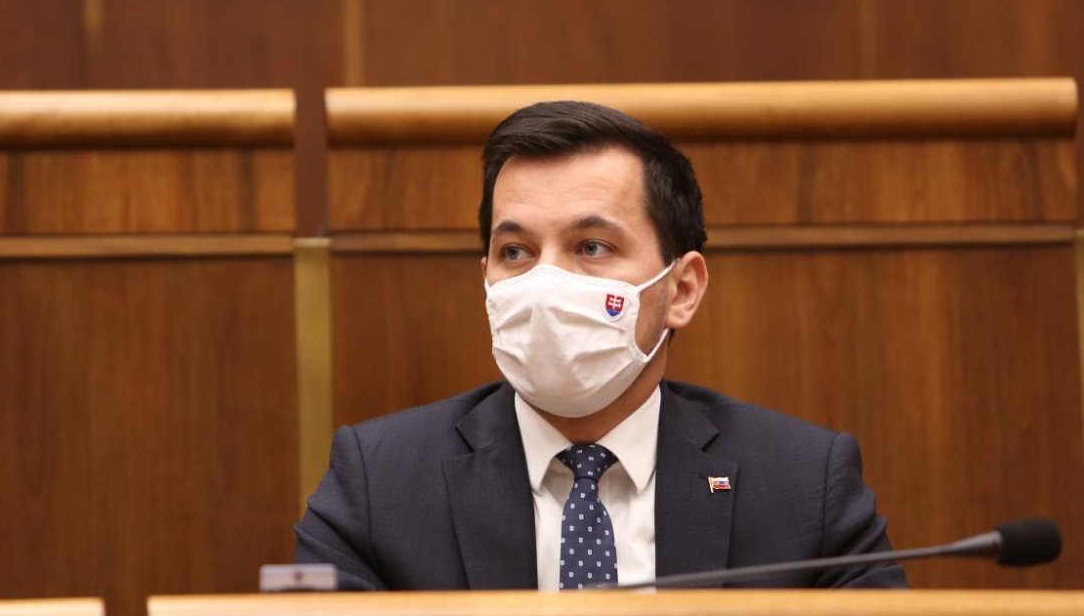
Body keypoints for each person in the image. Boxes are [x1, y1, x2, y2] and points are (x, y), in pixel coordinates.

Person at [294, 100, 905, 590]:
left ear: (681, 290)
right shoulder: (378, 483)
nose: (545, 284)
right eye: (516, 252)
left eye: (591, 247)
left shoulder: (803, 484)